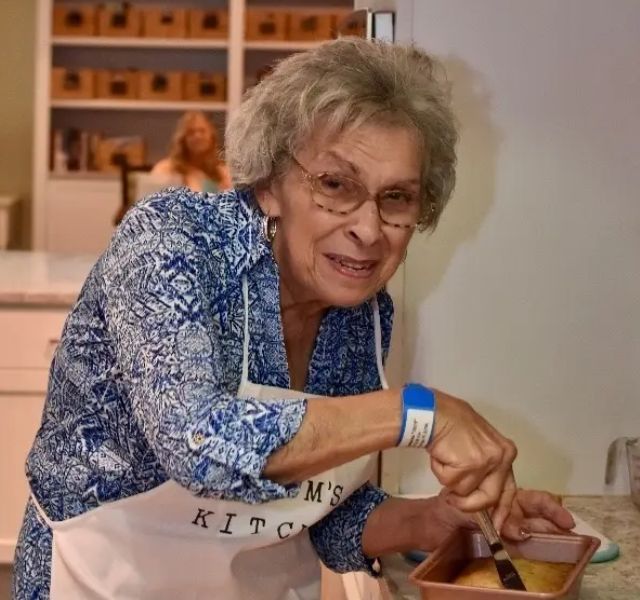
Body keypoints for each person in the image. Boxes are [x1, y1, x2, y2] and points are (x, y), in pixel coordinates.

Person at [12, 39, 574, 600]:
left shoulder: (361, 312)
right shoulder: (173, 241)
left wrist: (432, 519)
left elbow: (321, 516)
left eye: (397, 197)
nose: (370, 229)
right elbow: (199, 443)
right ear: (269, 184)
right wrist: (419, 412)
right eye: (335, 186)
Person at [151, 110, 232, 193]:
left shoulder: (222, 174)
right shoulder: (165, 169)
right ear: (182, 139)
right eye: (191, 132)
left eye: (202, 131)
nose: (197, 136)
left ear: (212, 137)